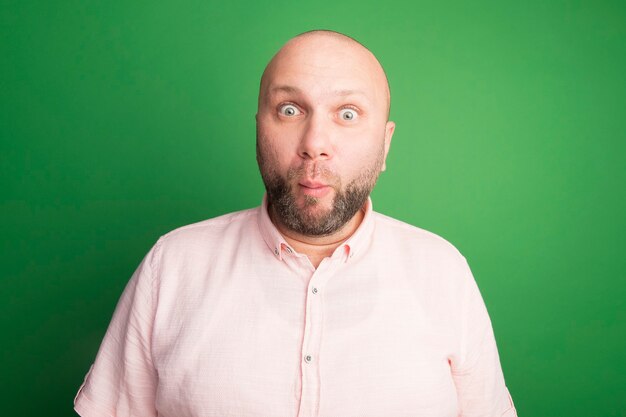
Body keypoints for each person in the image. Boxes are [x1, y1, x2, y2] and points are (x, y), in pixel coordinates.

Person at [74, 30, 517, 417]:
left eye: (347, 113)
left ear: (385, 145)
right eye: (290, 109)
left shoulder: (444, 273)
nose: (315, 144)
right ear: (258, 129)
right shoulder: (171, 266)